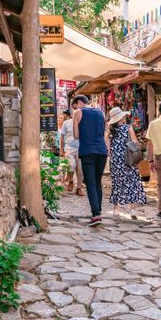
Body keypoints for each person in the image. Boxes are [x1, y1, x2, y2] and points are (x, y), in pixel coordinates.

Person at [72, 95, 108, 226]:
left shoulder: (78, 112)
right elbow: (103, 132)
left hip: (87, 151)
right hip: (102, 151)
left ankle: (96, 214)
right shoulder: (101, 112)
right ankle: (98, 211)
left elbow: (76, 135)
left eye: (75, 106)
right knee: (97, 182)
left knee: (91, 183)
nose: (75, 109)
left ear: (79, 103)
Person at [107, 107, 148, 217]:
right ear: (122, 117)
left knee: (117, 183)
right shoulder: (128, 127)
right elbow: (135, 142)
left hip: (115, 160)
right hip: (128, 159)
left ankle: (116, 209)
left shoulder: (110, 130)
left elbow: (107, 147)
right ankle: (132, 210)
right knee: (132, 182)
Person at [59, 109, 84, 196]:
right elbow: (62, 136)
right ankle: (70, 180)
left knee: (80, 169)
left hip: (81, 148)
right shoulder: (67, 123)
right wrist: (61, 149)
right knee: (72, 165)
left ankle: (79, 188)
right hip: (69, 148)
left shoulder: (83, 122)